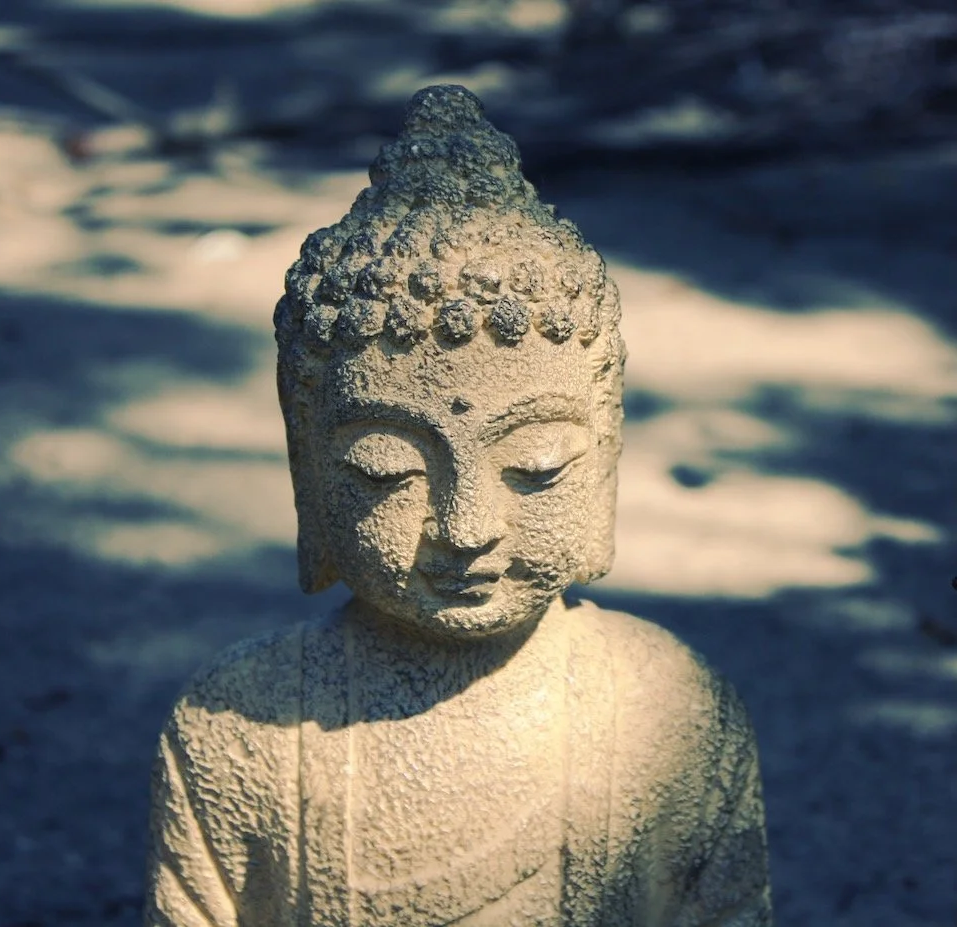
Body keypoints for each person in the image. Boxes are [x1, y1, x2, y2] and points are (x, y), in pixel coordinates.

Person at [144, 84, 773, 927]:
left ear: (606, 457)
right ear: (309, 467)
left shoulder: (671, 708)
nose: (466, 526)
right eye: (387, 470)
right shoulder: (237, 725)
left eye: (537, 466)